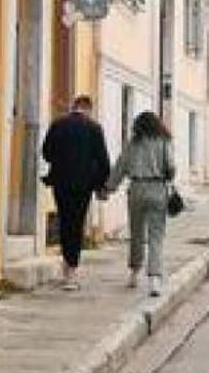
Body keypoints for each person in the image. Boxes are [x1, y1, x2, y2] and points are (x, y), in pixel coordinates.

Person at [39, 96, 111, 290]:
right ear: (88, 109)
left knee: (64, 220)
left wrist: (61, 161)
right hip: (83, 185)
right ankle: (71, 270)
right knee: (77, 223)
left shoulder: (58, 124)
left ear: (74, 106)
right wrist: (100, 185)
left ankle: (66, 265)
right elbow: (103, 161)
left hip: (60, 183)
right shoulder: (95, 128)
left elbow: (46, 152)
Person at [103, 111, 175, 296]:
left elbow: (120, 167)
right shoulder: (164, 141)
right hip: (157, 189)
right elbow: (171, 167)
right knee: (156, 236)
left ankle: (134, 273)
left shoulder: (132, 144)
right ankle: (154, 280)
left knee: (136, 233)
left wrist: (108, 189)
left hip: (136, 189)